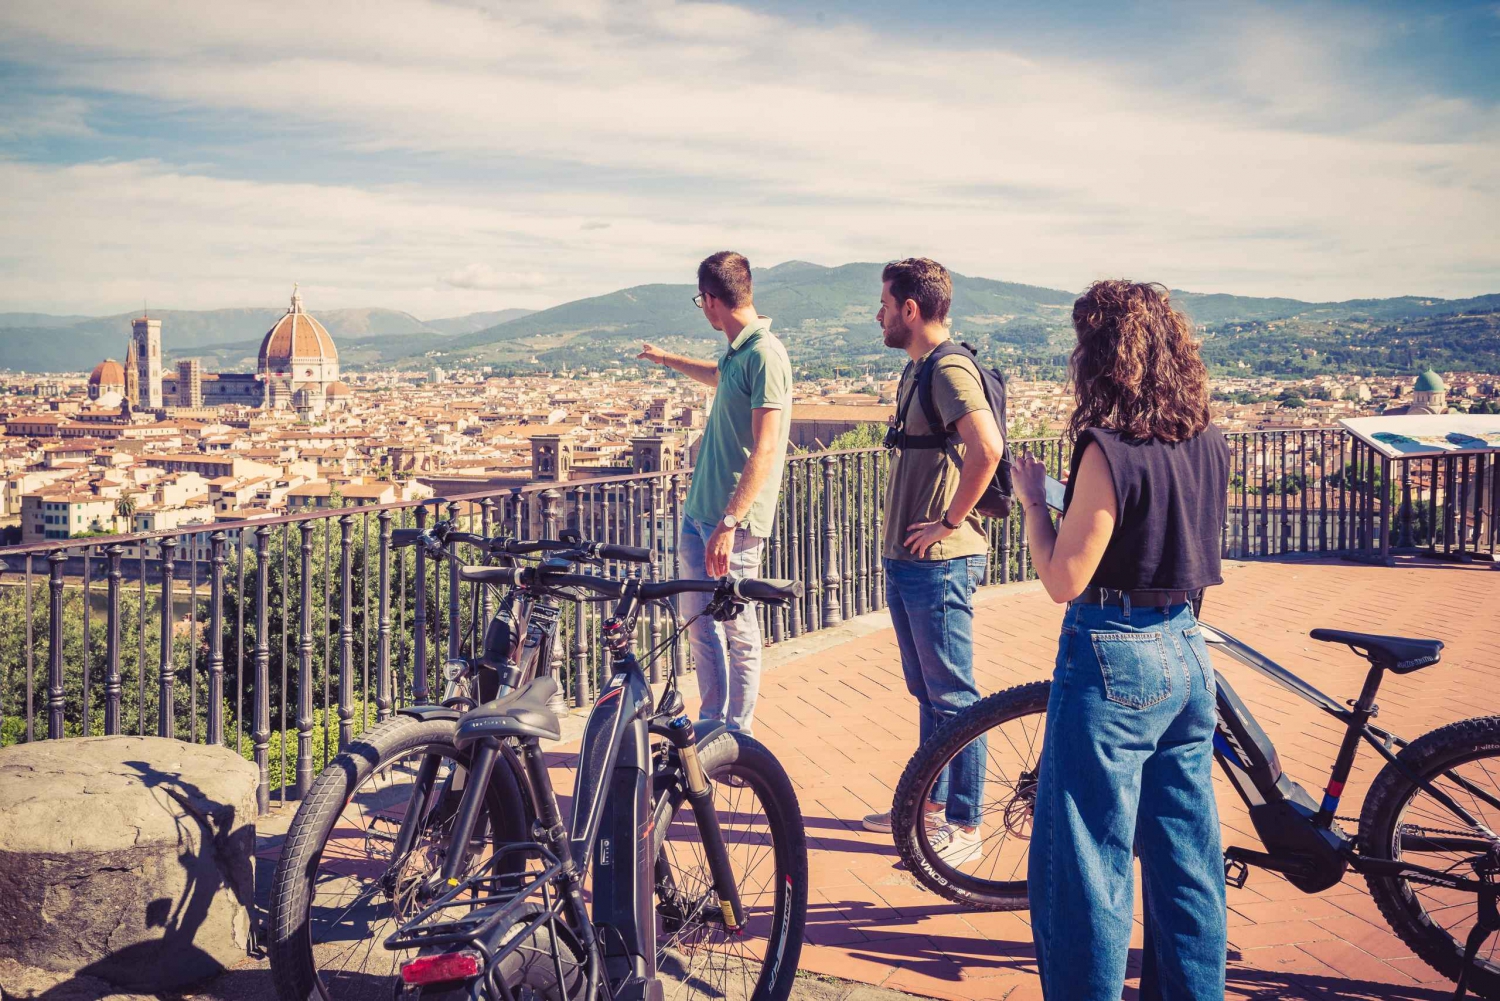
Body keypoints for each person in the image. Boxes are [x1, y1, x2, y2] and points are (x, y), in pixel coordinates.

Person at [1011, 280, 1230, 1001]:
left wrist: (1032, 503)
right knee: (1188, 866)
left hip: (1114, 656)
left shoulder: (1107, 449)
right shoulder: (1207, 439)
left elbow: (1064, 577)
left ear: (1101, 356)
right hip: (1189, 651)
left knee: (1088, 869)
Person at [860, 258, 1005, 865]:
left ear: (911, 310)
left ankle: (966, 826)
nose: (880, 314)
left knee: (955, 698)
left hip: (941, 561)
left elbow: (988, 448)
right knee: (931, 694)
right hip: (914, 560)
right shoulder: (919, 369)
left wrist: (948, 521)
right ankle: (932, 805)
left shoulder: (947, 370)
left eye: (886, 305)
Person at [638, 251, 792, 736]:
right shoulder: (739, 353)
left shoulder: (765, 354)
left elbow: (767, 447)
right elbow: (719, 377)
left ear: (709, 301)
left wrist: (729, 522)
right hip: (700, 514)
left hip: (732, 522)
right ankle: (710, 724)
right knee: (700, 626)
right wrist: (666, 360)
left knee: (737, 632)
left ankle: (737, 737)